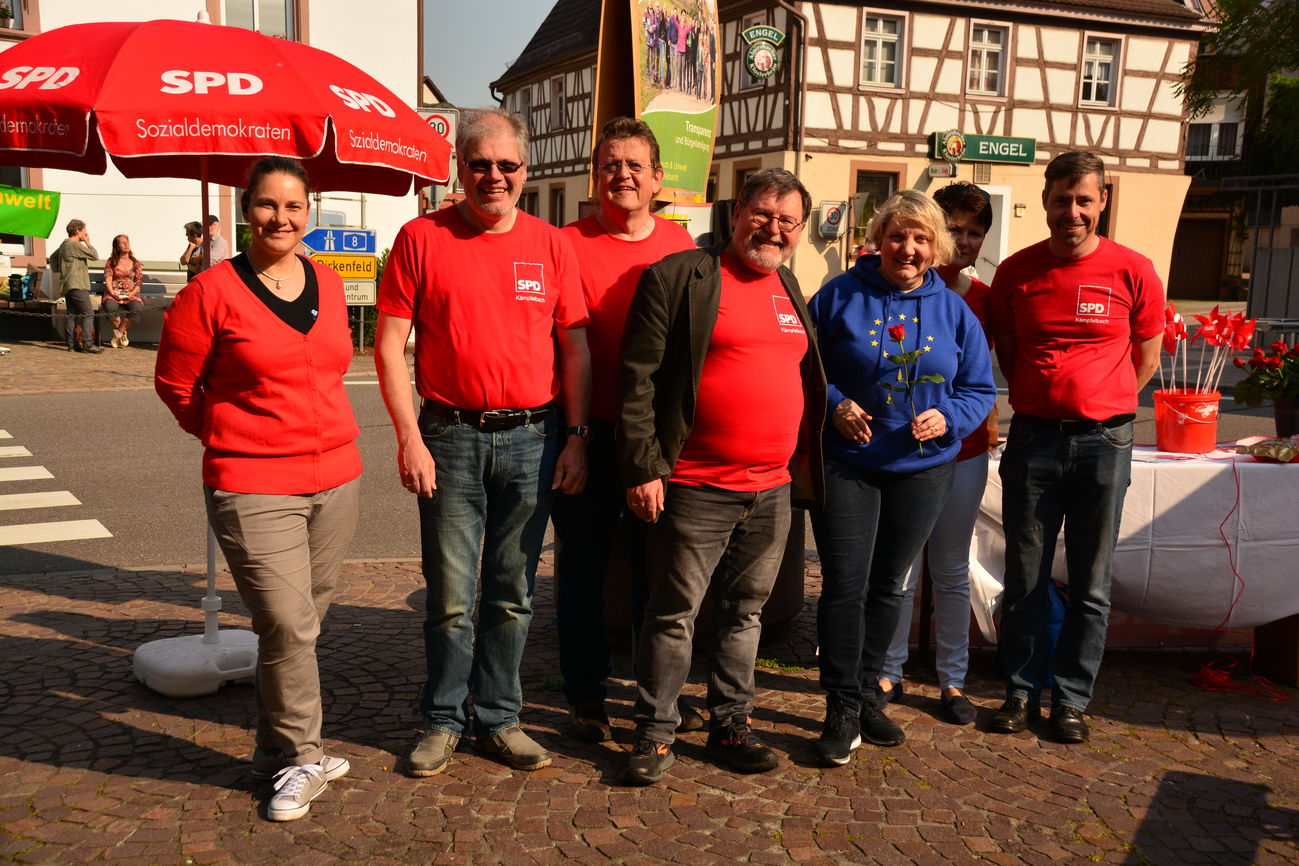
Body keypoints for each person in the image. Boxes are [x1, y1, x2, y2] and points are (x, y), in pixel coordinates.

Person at [374, 108, 590, 778]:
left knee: (510, 591)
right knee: (446, 594)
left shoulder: (552, 245)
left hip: (533, 436)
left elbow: (574, 346)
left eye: (506, 165)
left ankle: (498, 717)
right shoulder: (420, 238)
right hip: (449, 436)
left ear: (526, 171)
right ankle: (442, 718)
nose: (492, 176)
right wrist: (408, 437)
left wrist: (577, 436)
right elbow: (387, 346)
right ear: (458, 169)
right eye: (479, 164)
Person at [154, 157, 362, 821]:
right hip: (251, 482)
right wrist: (228, 432)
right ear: (248, 211)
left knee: (301, 624)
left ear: (310, 212)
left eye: (294, 207)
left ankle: (272, 752)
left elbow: (332, 369)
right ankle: (304, 755)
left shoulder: (329, 286)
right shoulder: (210, 292)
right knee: (287, 623)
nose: (282, 218)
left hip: (336, 477)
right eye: (269, 206)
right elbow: (175, 385)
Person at [617, 168, 825, 786]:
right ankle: (655, 734)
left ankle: (730, 723)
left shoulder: (790, 285)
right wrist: (646, 467)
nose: (773, 229)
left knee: (745, 614)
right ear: (737, 214)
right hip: (695, 484)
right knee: (673, 613)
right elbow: (637, 380)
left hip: (772, 488)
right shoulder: (681, 276)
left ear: (799, 232)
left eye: (787, 221)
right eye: (762, 214)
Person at [807, 189, 996, 767]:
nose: (907, 249)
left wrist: (950, 417)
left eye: (920, 239)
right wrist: (836, 401)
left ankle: (867, 695)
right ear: (878, 239)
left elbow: (979, 389)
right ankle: (839, 704)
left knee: (891, 586)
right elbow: (802, 364)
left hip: (923, 469)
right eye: (897, 236)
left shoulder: (955, 312)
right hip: (848, 464)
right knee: (845, 586)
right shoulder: (840, 295)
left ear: (935, 246)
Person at [988, 151, 1163, 744]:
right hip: (1033, 438)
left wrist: (1101, 402)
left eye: (1083, 200)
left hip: (1103, 443)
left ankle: (1071, 699)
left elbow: (1147, 360)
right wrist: (1048, 399)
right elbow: (1008, 354)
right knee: (1025, 576)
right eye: (1061, 200)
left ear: (1103, 201)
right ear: (1045, 201)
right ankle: (1018, 691)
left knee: (1091, 581)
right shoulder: (1016, 272)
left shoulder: (1134, 271)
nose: (1071, 212)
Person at [555, 117, 696, 743]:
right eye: (610, 164)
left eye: (635, 165)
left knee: (655, 574)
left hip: (656, 440)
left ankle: (653, 695)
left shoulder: (682, 245)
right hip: (587, 429)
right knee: (581, 569)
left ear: (658, 178)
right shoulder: (566, 242)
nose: (622, 175)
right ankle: (585, 695)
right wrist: (576, 435)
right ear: (596, 175)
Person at [878, 182, 999, 725]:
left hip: (964, 449)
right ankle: (888, 669)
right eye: (954, 228)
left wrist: (982, 425)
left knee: (951, 566)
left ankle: (953, 678)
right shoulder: (887, 283)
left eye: (976, 232)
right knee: (899, 567)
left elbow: (983, 380)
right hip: (899, 450)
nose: (965, 240)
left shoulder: (981, 300)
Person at [48, 219, 102, 354]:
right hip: (77, 284)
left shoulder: (64, 244)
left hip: (67, 284)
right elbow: (94, 256)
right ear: (77, 231)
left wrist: (62, 270)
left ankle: (72, 345)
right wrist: (88, 243)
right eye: (84, 231)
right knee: (88, 313)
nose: (85, 233)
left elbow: (52, 258)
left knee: (71, 314)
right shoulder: (74, 245)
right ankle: (87, 344)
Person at [103, 234, 144, 349]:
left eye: (127, 242)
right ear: (117, 247)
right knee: (109, 307)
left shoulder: (135, 262)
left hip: (130, 293)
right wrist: (111, 292)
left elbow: (139, 280)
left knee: (136, 308)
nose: (126, 244)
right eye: (122, 243)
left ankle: (119, 332)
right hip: (114, 292)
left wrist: (132, 293)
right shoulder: (111, 261)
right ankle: (123, 332)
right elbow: (108, 277)